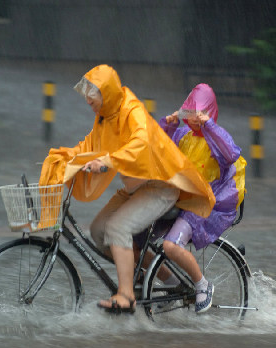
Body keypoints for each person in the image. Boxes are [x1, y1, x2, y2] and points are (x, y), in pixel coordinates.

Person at [39, 65, 215, 313]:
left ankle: (126, 295)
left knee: (117, 227)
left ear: (107, 93)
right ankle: (164, 280)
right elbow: (89, 145)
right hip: (137, 188)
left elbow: (140, 143)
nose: (88, 100)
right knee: (99, 231)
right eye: (87, 95)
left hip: (160, 185)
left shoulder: (132, 110)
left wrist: (107, 162)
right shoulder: (104, 118)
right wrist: (63, 159)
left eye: (94, 94)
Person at [157, 83, 246, 313]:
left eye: (200, 114)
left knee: (170, 245)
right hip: (178, 199)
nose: (195, 119)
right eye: (191, 113)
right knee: (139, 242)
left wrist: (209, 125)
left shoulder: (216, 136)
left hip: (203, 205)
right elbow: (158, 148)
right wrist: (168, 124)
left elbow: (231, 153)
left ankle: (202, 284)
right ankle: (171, 286)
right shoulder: (182, 134)